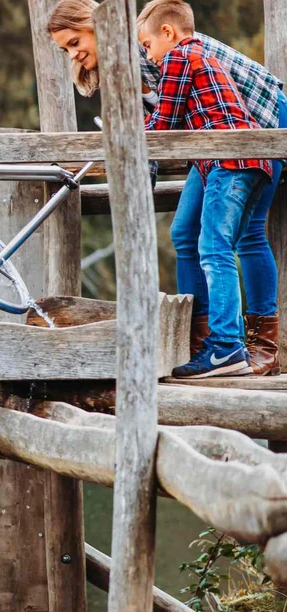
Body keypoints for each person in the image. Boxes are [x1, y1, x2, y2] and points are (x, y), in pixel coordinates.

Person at [48, 0, 287, 376]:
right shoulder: (131, 61)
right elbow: (160, 128)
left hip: (261, 123)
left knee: (245, 236)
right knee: (185, 232)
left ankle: (254, 345)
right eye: (66, 49)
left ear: (98, 26)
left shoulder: (151, 49)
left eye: (76, 41)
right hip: (211, 143)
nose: (74, 54)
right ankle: (204, 339)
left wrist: (137, 161)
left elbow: (160, 125)